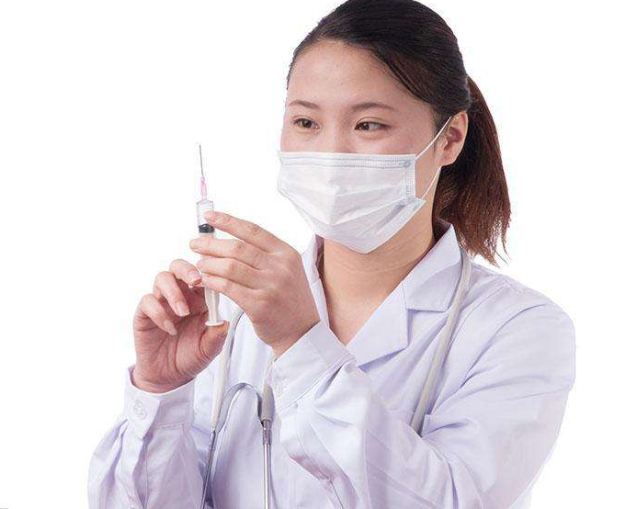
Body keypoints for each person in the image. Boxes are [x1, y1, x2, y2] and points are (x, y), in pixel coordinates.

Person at [87, 0, 576, 507]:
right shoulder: (229, 313)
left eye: (368, 125)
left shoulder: (518, 329)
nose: (331, 152)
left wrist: (301, 343)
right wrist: (160, 390)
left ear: (449, 138)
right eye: (306, 122)